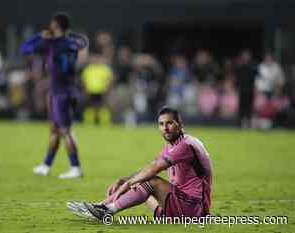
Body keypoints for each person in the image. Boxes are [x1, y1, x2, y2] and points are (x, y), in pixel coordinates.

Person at [67, 106, 212, 219]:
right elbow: (149, 167)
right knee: (141, 181)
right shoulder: (173, 145)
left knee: (151, 181)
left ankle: (108, 210)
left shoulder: (185, 145)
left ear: (180, 125)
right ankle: (100, 206)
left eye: (169, 123)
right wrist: (123, 180)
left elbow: (154, 169)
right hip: (182, 205)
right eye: (161, 124)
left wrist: (127, 183)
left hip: (194, 209)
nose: (165, 128)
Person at [20, 12, 88, 179]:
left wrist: (38, 36)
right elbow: (84, 41)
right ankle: (46, 165)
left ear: (55, 25)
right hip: (69, 90)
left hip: (59, 93)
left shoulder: (50, 43)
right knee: (55, 129)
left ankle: (75, 167)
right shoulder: (72, 43)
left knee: (64, 130)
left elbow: (24, 48)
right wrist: (68, 33)